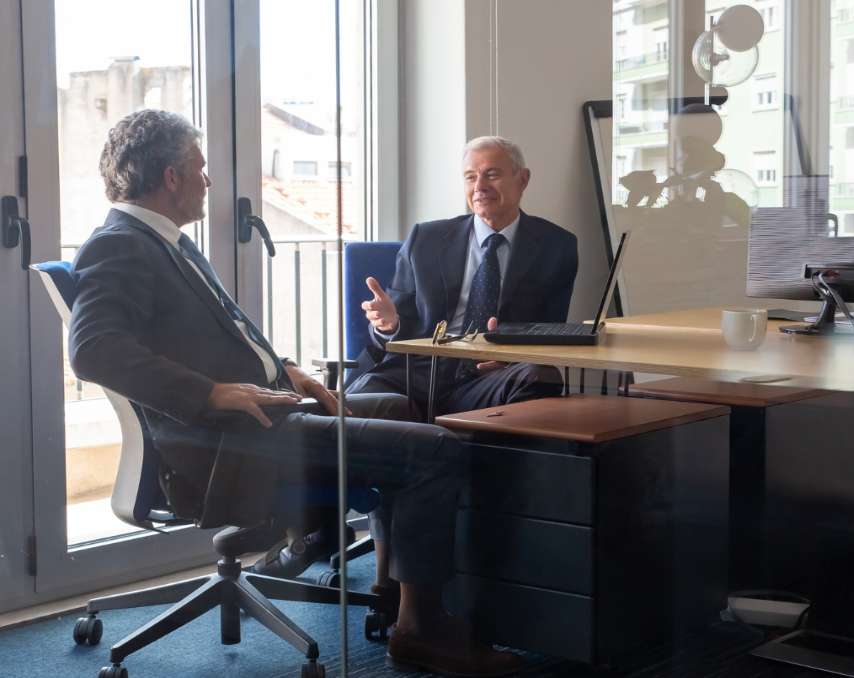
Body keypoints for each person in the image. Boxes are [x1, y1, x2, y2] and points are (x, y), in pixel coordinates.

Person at [68, 109, 520, 677]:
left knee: (401, 407)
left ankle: (389, 585)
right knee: (434, 448)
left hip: (262, 413)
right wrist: (212, 395)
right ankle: (420, 628)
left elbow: (210, 340)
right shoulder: (122, 245)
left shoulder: (162, 242)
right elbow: (94, 350)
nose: (208, 181)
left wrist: (288, 373)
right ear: (171, 177)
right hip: (228, 439)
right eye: (200, 169)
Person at [347, 135, 578, 414]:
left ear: (523, 179)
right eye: (470, 177)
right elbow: (397, 327)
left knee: (539, 376)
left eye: (491, 175)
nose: (480, 187)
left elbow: (550, 330)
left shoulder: (556, 245)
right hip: (418, 372)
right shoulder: (425, 239)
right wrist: (388, 324)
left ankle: (479, 456)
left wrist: (508, 358)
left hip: (490, 374)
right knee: (357, 401)